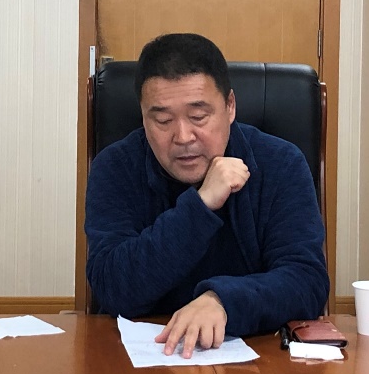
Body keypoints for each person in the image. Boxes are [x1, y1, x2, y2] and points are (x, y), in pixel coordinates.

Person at [85, 33, 329, 357]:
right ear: (143, 117)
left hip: (259, 361)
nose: (183, 137)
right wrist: (201, 205)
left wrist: (223, 300)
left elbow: (307, 281)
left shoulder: (281, 163)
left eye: (198, 117)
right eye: (163, 120)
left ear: (230, 106)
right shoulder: (115, 167)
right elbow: (112, 287)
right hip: (139, 360)